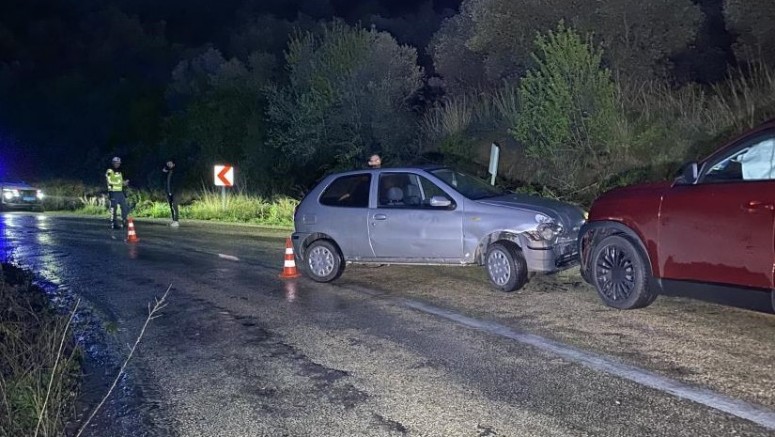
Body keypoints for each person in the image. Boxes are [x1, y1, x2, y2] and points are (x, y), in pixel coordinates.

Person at [105, 156, 129, 229]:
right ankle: (114, 223)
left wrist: (124, 183)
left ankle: (124, 221)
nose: (118, 164)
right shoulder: (109, 171)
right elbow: (109, 181)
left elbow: (120, 181)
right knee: (114, 208)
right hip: (113, 192)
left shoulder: (119, 171)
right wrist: (121, 183)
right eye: (116, 163)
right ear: (113, 163)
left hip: (120, 192)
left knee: (124, 207)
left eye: (119, 163)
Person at [162, 160, 180, 227]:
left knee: (174, 205)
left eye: (170, 163)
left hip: (175, 191)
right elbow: (166, 181)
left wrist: (173, 190)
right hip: (169, 191)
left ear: (173, 164)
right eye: (168, 163)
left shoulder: (176, 172)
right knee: (171, 206)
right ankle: (173, 220)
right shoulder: (168, 171)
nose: (169, 164)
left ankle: (176, 221)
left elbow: (176, 182)